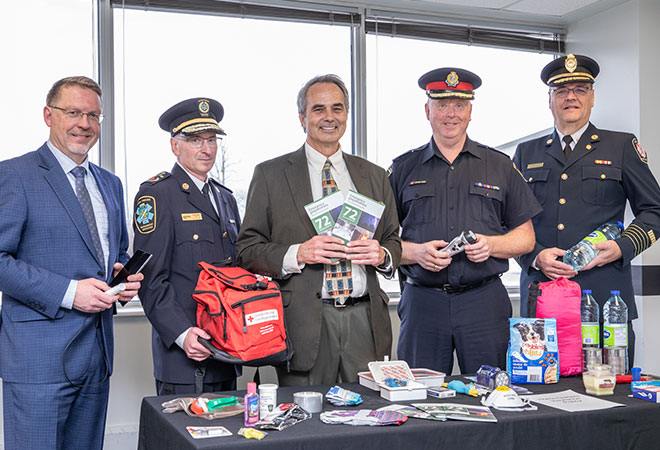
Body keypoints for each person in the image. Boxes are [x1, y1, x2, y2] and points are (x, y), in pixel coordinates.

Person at [0, 76, 142, 450]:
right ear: (49, 115)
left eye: (93, 115)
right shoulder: (14, 175)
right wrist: (69, 292)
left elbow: (118, 254)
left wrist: (122, 279)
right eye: (74, 112)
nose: (84, 124)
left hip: (96, 357)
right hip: (38, 361)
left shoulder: (110, 184)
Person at [236, 74, 401, 386]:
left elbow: (393, 238)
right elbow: (247, 250)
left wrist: (382, 254)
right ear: (302, 118)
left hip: (365, 320)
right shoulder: (271, 175)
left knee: (368, 417)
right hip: (304, 322)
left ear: (346, 116)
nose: (329, 118)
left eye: (337, 109)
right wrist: (298, 252)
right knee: (306, 423)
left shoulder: (375, 176)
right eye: (319, 109)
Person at [388, 68, 542, 375]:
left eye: (459, 105)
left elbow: (525, 238)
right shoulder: (402, 168)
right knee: (420, 399)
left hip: (483, 302)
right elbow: (380, 241)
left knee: (492, 397)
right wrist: (416, 252)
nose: (450, 114)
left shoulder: (500, 165)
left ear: (470, 111)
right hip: (423, 303)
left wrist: (493, 245)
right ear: (427, 110)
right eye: (442, 105)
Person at [513, 54, 660, 368]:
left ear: (592, 97)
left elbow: (654, 210)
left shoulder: (621, 146)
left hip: (607, 299)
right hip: (542, 296)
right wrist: (534, 255)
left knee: (610, 394)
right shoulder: (527, 153)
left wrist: (622, 247)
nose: (571, 97)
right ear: (549, 100)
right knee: (542, 391)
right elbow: (508, 223)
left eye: (580, 89)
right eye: (561, 91)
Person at [133, 97, 241, 395]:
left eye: (211, 140)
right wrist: (182, 334)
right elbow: (150, 280)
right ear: (174, 145)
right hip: (185, 356)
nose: (207, 149)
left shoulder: (226, 199)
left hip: (225, 350)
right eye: (195, 140)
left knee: (228, 438)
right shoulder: (157, 195)